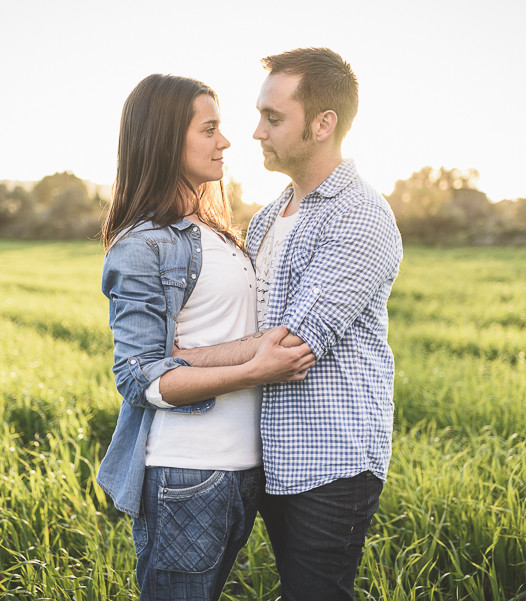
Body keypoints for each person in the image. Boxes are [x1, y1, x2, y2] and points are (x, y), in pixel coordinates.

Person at [175, 48, 403, 600]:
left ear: (324, 124)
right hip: (269, 452)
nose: (255, 132)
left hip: (331, 459)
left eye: (273, 118)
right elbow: (250, 325)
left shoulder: (360, 215)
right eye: (259, 115)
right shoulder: (269, 216)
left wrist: (181, 360)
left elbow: (292, 344)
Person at [95, 73, 316, 601]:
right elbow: (138, 377)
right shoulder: (142, 246)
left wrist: (258, 352)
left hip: (245, 472)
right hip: (187, 472)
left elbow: (239, 335)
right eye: (209, 129)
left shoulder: (219, 234)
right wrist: (252, 371)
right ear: (167, 139)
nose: (226, 141)